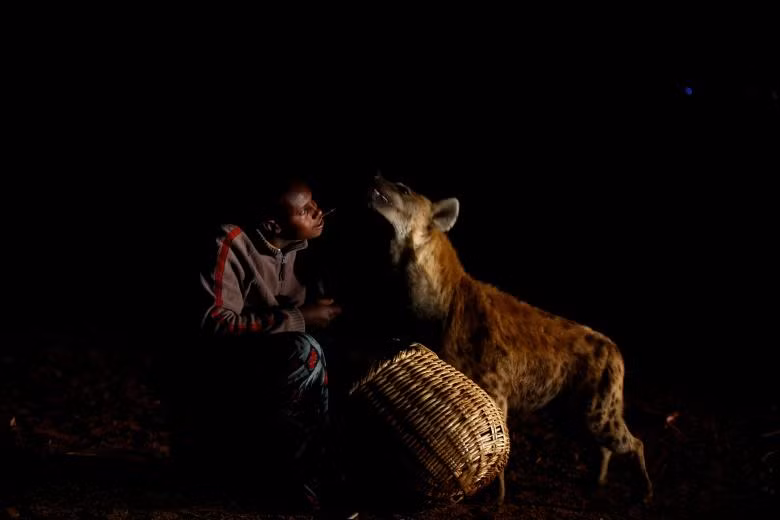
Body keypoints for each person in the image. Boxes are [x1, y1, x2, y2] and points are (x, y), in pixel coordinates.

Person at [190, 174, 353, 516]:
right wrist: (301, 318)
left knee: (343, 352)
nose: (317, 211)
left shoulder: (301, 249)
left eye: (314, 202)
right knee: (305, 351)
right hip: (223, 375)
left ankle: (330, 470)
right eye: (304, 209)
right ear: (271, 224)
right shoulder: (231, 242)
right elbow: (214, 325)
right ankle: (296, 479)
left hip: (271, 371)